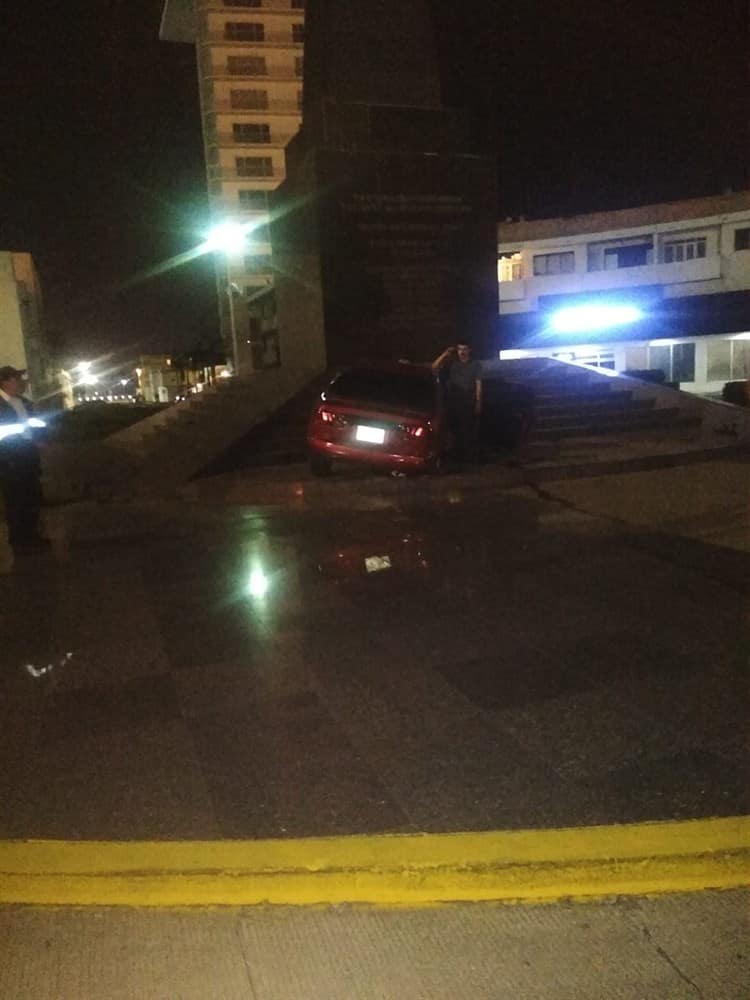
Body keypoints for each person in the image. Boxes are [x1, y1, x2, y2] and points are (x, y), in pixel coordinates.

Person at [0, 366, 49, 551]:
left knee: (32, 495)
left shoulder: (23, 402)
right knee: (15, 498)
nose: (20, 382)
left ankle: (32, 535)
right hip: (10, 458)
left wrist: (40, 439)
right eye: (16, 379)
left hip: (28, 454)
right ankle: (19, 539)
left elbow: (37, 423)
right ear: (5, 381)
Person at [432, 342, 483, 462]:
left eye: (464, 349)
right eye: (460, 349)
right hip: (453, 402)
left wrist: (478, 402)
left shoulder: (475, 365)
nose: (462, 352)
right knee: (452, 431)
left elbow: (478, 384)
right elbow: (434, 368)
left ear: (469, 350)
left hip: (467, 402)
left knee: (466, 431)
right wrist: (445, 354)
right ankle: (454, 457)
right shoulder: (452, 364)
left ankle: (466, 458)